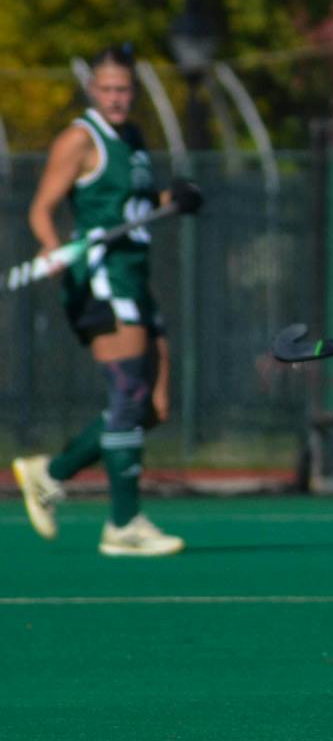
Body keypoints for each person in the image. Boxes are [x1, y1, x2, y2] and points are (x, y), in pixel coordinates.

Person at [13, 44, 202, 557]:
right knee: (128, 398)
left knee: (154, 405)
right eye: (108, 89)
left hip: (136, 276)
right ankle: (124, 524)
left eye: (125, 90)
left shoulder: (134, 139)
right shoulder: (80, 139)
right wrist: (53, 249)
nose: (117, 99)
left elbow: (136, 207)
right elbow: (41, 209)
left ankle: (50, 472)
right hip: (101, 278)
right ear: (92, 91)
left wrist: (173, 199)